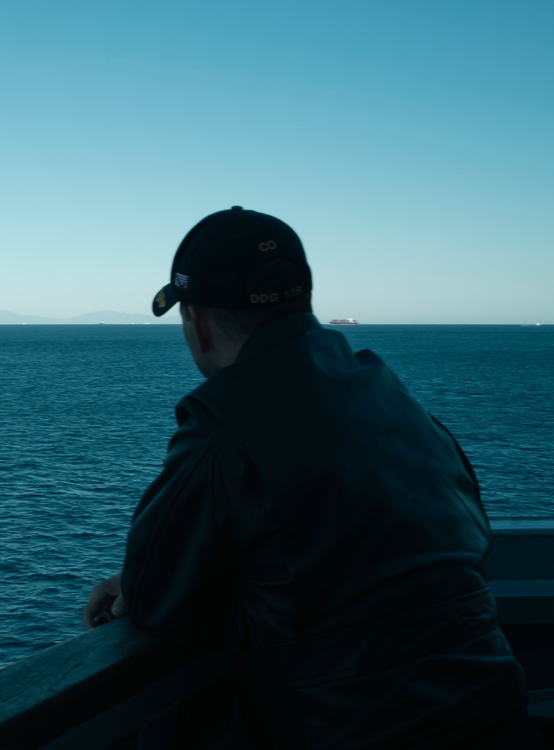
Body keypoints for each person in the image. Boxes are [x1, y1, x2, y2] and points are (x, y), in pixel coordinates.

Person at [82, 207, 542, 748]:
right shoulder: (392, 397)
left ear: (198, 323)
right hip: (499, 715)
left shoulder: (226, 427)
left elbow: (157, 600)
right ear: (304, 302)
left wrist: (140, 582)